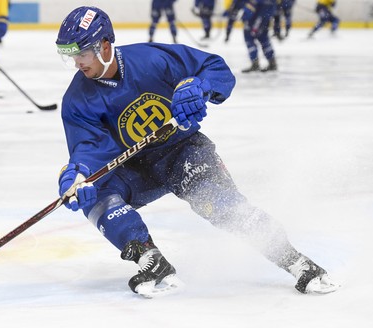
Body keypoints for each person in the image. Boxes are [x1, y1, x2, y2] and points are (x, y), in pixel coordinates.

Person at [55, 6, 338, 297]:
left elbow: (215, 68)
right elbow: (88, 147)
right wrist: (79, 173)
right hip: (135, 168)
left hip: (184, 153)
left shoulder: (152, 59)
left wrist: (198, 86)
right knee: (92, 192)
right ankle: (151, 259)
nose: (77, 63)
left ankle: (298, 263)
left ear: (104, 46)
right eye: (71, 56)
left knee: (220, 204)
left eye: (83, 54)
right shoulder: (77, 100)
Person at [240, 0, 277, 73]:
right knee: (263, 38)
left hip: (257, 18)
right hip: (263, 17)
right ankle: (272, 62)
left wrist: (245, 17)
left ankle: (255, 63)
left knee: (249, 37)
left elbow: (252, 6)